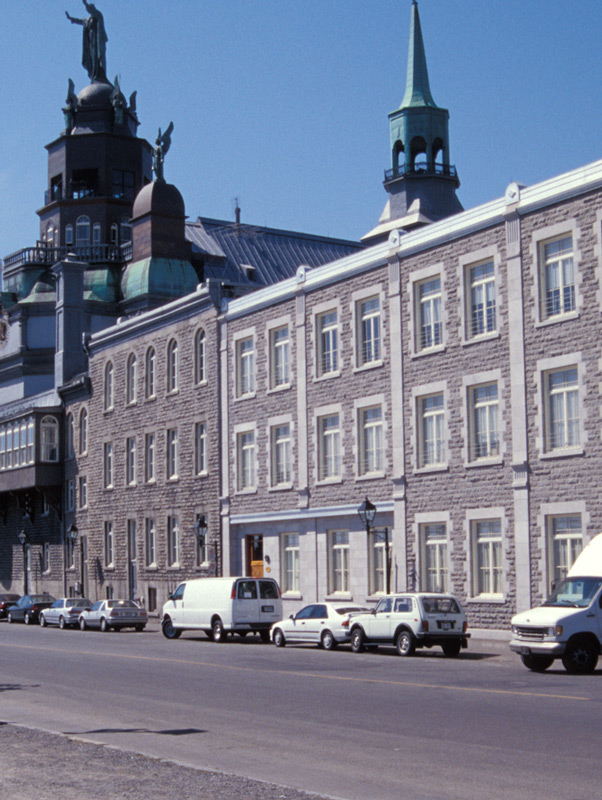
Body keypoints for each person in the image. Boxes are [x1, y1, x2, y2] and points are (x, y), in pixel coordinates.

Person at [66, 1, 108, 82]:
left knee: (99, 57)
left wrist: (85, 3)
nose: (88, 11)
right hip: (91, 42)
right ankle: (94, 74)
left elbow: (95, 12)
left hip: (98, 41)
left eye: (89, 9)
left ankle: (101, 74)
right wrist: (70, 18)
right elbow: (80, 21)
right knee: (92, 58)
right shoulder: (88, 20)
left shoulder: (98, 16)